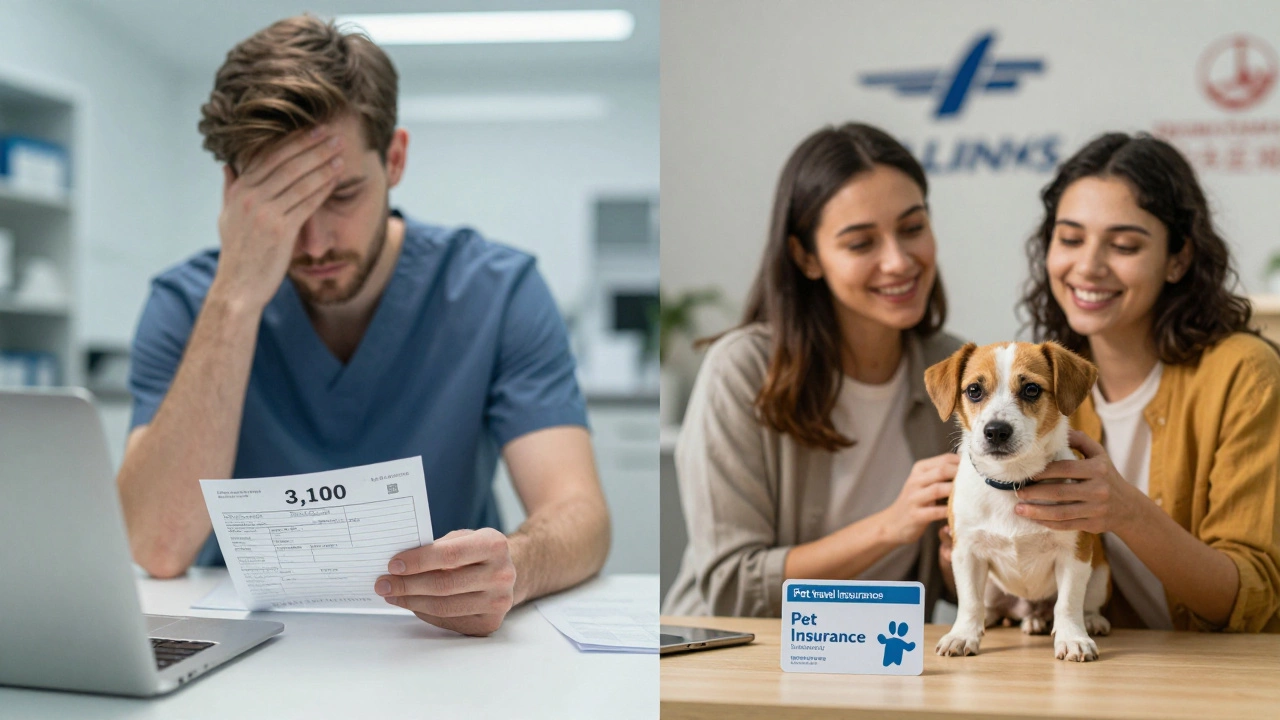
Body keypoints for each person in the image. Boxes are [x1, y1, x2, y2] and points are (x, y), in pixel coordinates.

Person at [116, 16, 610, 637]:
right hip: (249, 638)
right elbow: (157, 547)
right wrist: (238, 297)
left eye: (342, 194)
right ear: (233, 190)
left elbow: (580, 513)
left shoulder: (497, 290)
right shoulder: (189, 303)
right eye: (284, 204)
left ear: (395, 159)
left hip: (439, 643)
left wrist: (517, 566)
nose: (315, 240)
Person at [663, 122, 965, 618]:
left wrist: (971, 557)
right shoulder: (741, 370)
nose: (898, 261)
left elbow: (954, 585)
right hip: (735, 660)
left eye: (913, 228)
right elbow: (733, 587)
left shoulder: (955, 371)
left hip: (890, 663)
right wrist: (892, 525)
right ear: (806, 257)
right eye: (861, 243)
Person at [1008, 132, 1280, 632]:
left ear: (1178, 259)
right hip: (1115, 674)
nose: (1088, 266)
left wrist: (1127, 512)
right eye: (1069, 239)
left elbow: (1251, 601)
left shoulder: (1245, 374)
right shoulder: (1042, 384)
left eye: (1125, 245)